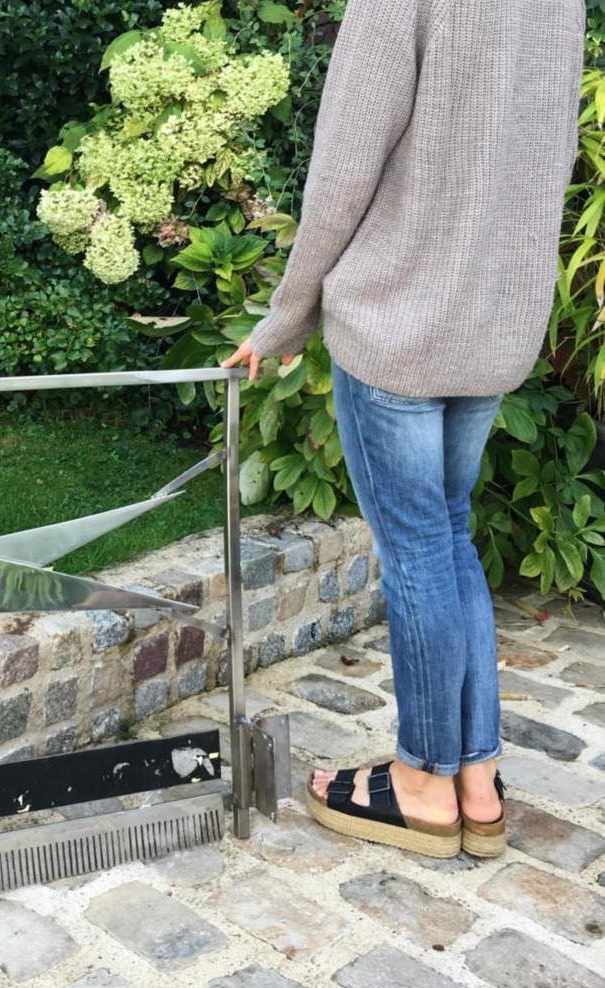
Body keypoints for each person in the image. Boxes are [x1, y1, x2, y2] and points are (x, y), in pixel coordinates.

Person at [220, 0, 586, 857]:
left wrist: (285, 317)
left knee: (420, 545)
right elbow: (549, 154)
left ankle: (422, 781)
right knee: (449, 534)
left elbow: (343, 167)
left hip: (399, 324)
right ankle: (476, 778)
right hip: (493, 326)